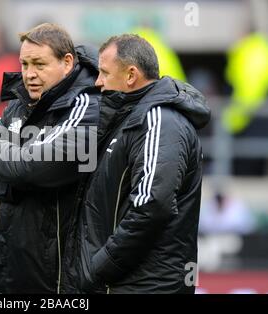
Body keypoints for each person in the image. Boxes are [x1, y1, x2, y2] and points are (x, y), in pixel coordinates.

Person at [61, 34, 211, 294]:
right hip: (125, 283)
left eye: (105, 73)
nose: (98, 82)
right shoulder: (131, 117)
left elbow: (153, 204)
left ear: (131, 75)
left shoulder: (160, 120)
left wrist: (99, 267)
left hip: (147, 287)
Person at [0, 23, 100, 293]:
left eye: (39, 64)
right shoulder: (20, 103)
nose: (29, 74)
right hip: (14, 266)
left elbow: (30, 166)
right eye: (25, 64)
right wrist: (20, 180)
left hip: (63, 273)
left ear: (67, 62)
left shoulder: (86, 104)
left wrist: (18, 170)